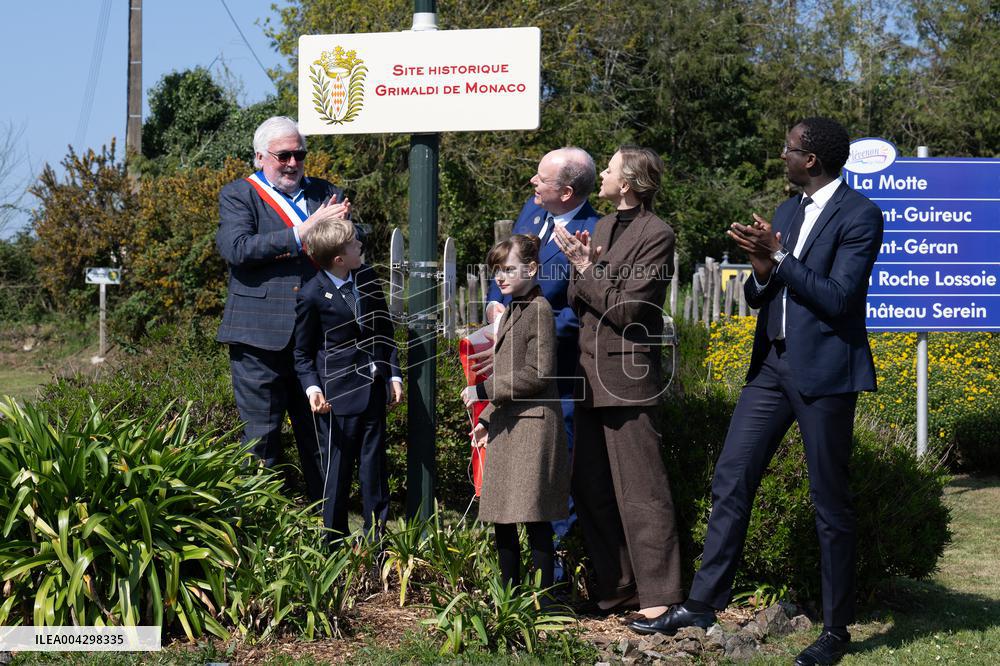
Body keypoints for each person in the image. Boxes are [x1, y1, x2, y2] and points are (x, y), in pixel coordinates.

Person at [628, 118, 883, 666]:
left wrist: (781, 258)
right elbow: (761, 291)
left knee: (829, 502)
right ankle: (702, 604)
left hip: (826, 376)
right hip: (770, 367)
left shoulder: (861, 215)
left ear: (811, 158)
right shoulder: (787, 212)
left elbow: (838, 299)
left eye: (788, 149)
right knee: (731, 478)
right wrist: (764, 265)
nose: (782, 156)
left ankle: (836, 630)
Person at [553, 146, 682, 620]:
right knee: (588, 486)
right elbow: (577, 295)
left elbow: (630, 311)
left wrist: (589, 271)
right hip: (588, 375)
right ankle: (619, 585)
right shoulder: (602, 228)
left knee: (642, 490)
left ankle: (660, 597)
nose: (601, 176)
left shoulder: (658, 234)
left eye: (607, 170)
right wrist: (586, 270)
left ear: (626, 183)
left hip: (628, 378)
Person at [216, 116, 351, 502]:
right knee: (260, 440)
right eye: (283, 156)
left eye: (299, 155)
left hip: (318, 338)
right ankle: (261, 532)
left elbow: (346, 249)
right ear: (261, 157)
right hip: (259, 339)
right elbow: (238, 249)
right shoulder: (239, 195)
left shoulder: (325, 192)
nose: (293, 163)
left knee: (322, 440)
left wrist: (341, 228)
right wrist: (304, 231)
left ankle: (328, 531)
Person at [477, 147, 600, 552]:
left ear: (566, 192)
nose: (532, 182)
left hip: (556, 379)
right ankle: (517, 582)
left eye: (540, 178)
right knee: (513, 478)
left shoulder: (594, 232)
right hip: (511, 374)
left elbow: (582, 314)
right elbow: (509, 265)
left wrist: (527, 324)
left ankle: (555, 581)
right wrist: (496, 302)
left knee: (551, 480)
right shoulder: (531, 213)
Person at [461, 234, 571, 591]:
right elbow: (509, 372)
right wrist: (485, 419)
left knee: (534, 520)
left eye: (509, 270)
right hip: (508, 426)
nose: (501, 278)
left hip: (532, 429)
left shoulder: (538, 310)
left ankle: (541, 603)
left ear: (533, 269)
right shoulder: (514, 309)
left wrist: (482, 390)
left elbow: (538, 374)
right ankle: (510, 599)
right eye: (497, 271)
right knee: (502, 520)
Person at [292, 218, 403, 541]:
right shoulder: (312, 294)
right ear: (339, 259)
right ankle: (333, 545)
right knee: (337, 476)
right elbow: (302, 352)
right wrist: (313, 388)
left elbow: (383, 331)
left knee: (375, 472)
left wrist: (393, 373)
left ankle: (377, 542)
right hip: (336, 399)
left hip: (374, 390)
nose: (360, 246)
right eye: (354, 244)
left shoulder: (367, 278)